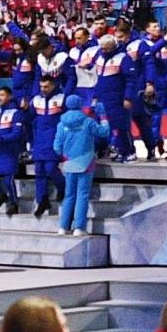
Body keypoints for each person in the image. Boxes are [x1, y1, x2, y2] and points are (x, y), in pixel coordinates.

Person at [52, 91, 105, 235]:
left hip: (69, 163)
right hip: (86, 162)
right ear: (80, 104)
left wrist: (65, 155)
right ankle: (79, 228)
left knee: (69, 195)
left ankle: (63, 227)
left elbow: (57, 147)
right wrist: (103, 116)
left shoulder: (61, 124)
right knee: (82, 195)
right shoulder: (88, 122)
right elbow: (104, 132)